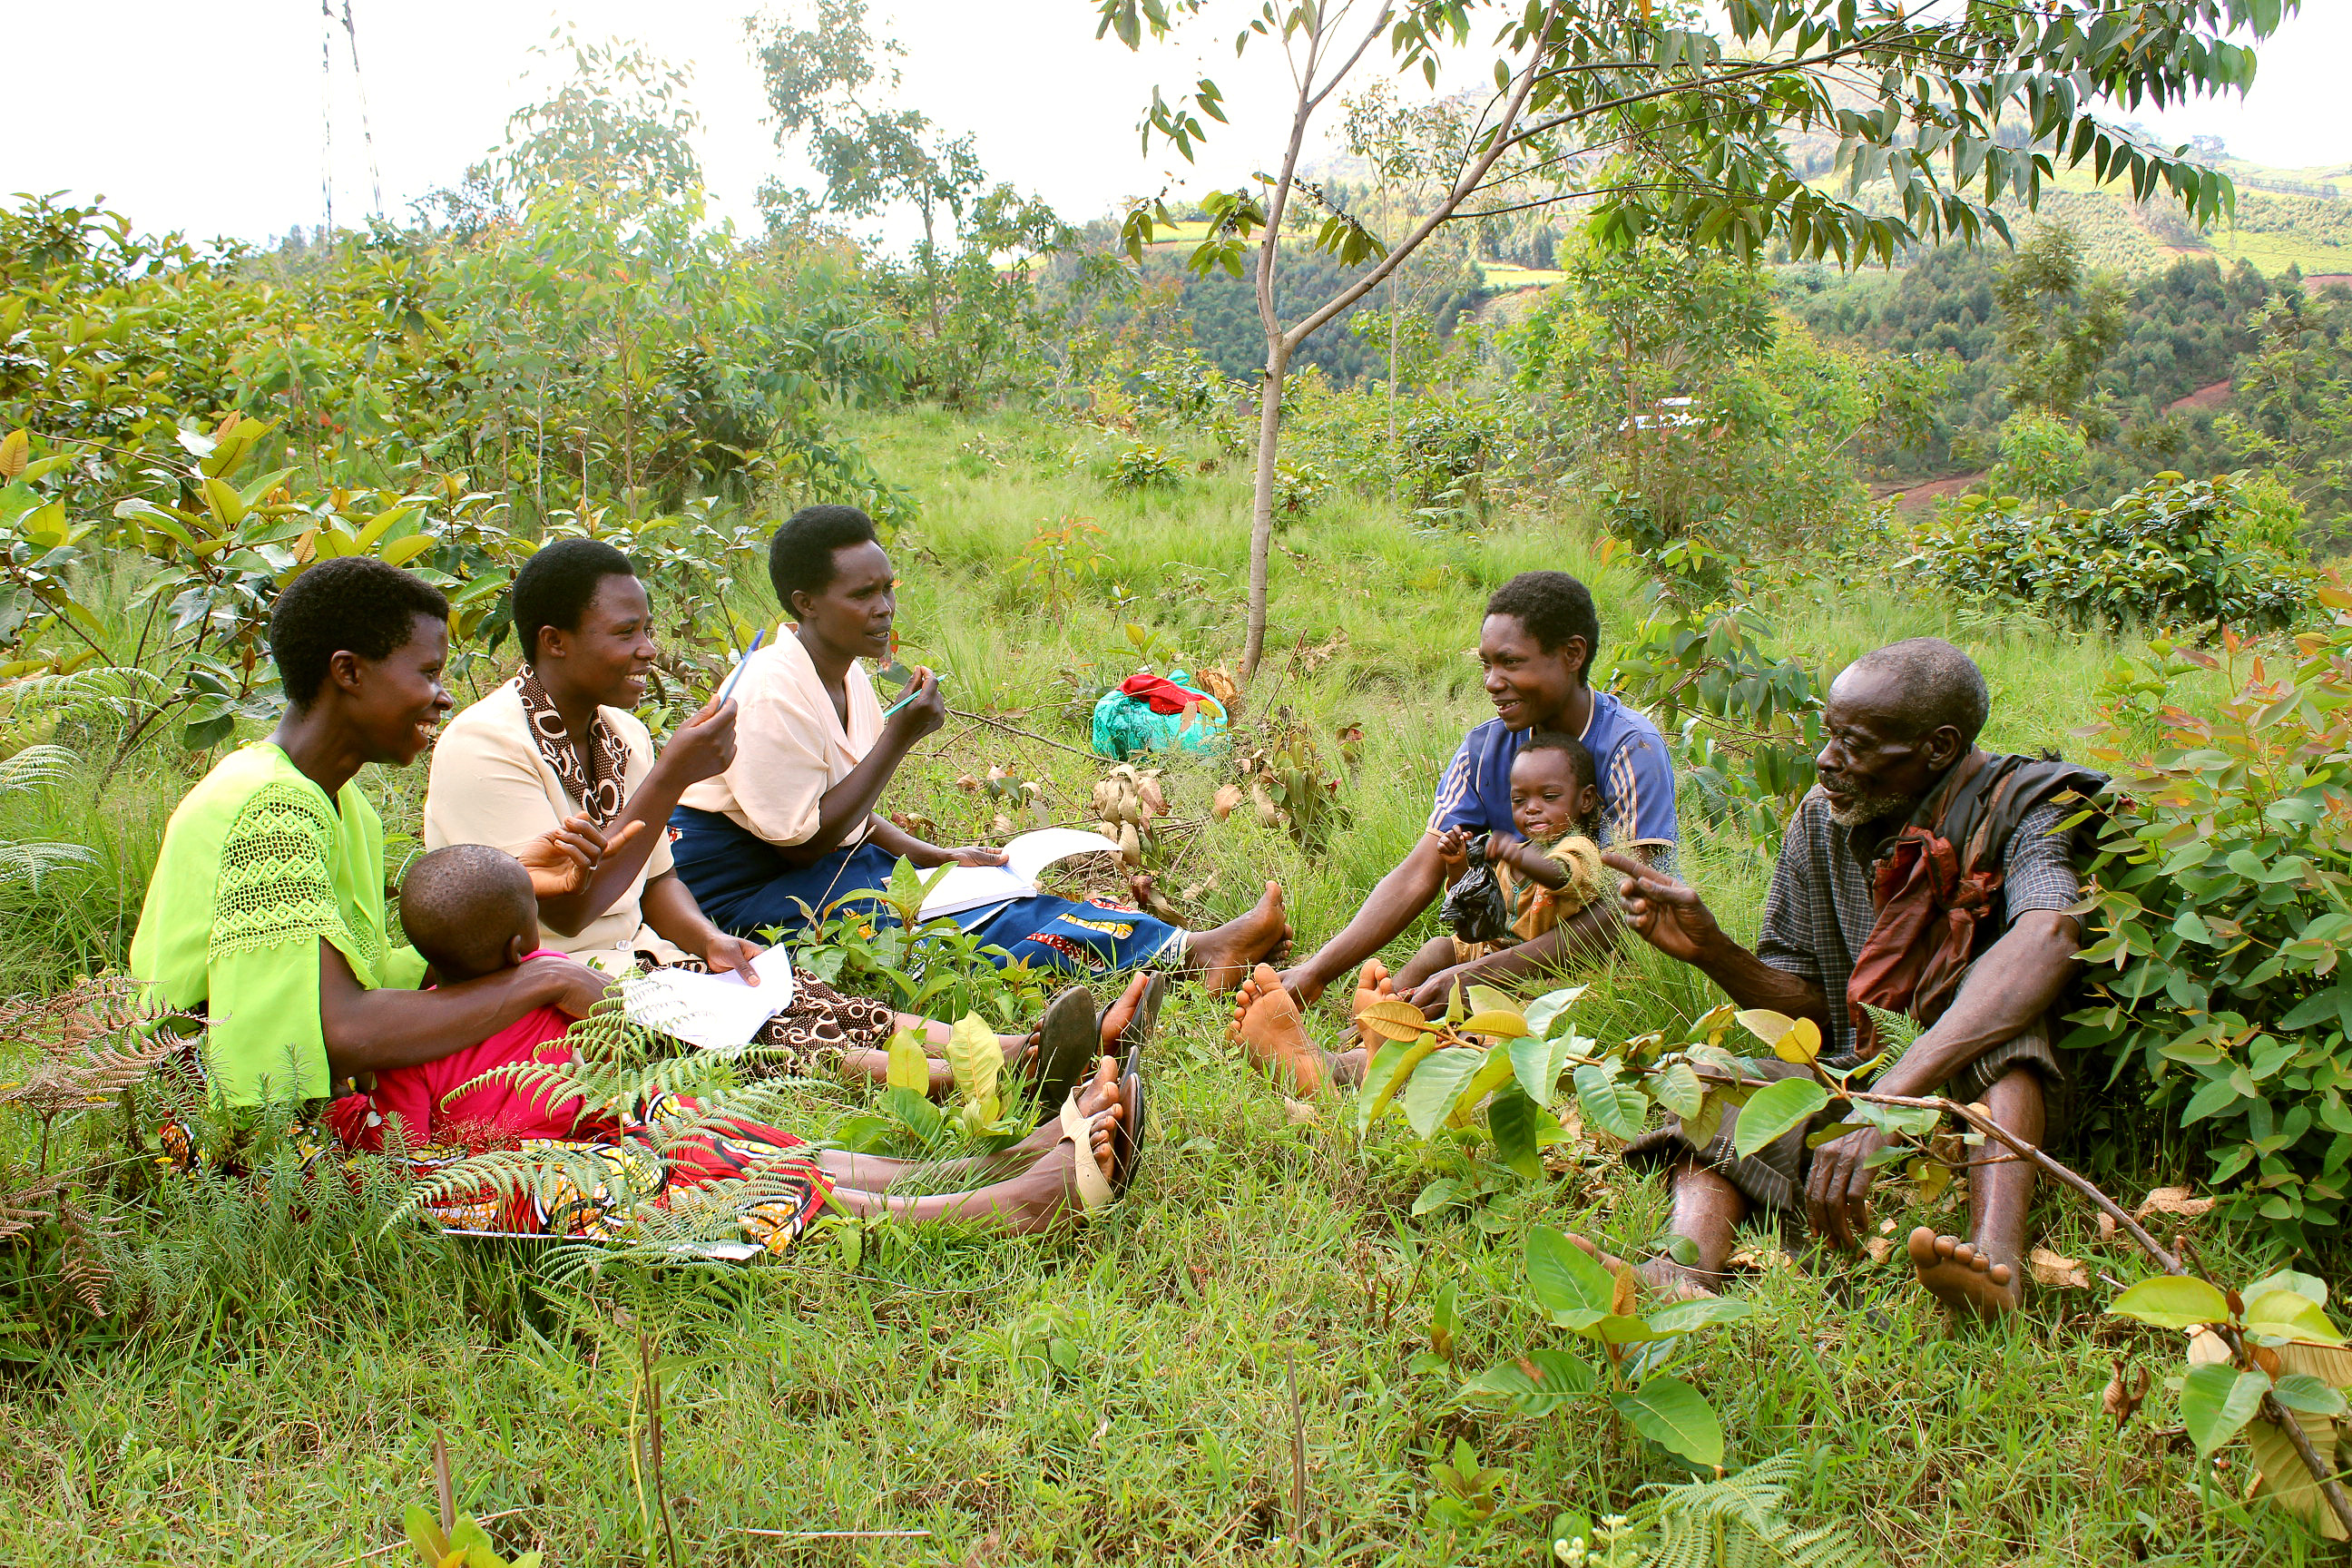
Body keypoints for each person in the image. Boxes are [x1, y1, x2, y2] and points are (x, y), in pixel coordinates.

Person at [421, 536, 1098, 1101]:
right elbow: (565, 917)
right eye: (626, 633)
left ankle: (1011, 1051)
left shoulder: (620, 733)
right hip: (553, 988)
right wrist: (672, 776)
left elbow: (656, 882)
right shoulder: (489, 745)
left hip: (639, 959)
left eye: (649, 629)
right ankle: (983, 1086)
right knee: (764, 1034)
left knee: (793, 994)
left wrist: (707, 940)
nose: (649, 650)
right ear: (554, 642)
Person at [1604, 637, 2102, 1319]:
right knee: (1712, 1080)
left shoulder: (2029, 807)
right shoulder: (1820, 820)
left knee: (1998, 1035)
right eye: (1829, 734)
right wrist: (1713, 951)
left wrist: (1893, 1098)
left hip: (1990, 1100)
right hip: (1863, 1073)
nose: (1827, 760)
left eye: (1857, 744)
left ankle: (1998, 1266)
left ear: (1939, 747)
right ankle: (1681, 1267)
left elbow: (2047, 937)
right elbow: (1806, 1008)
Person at [332, 843, 1147, 1250]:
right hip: (597, 1153)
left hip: (616, 1130)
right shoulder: (527, 979)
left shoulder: (428, 1027)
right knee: (767, 1180)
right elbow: (610, 1048)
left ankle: (990, 1164)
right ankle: (999, 1206)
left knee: (778, 1150)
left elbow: (408, 1134)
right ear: (522, 941)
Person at [668, 504, 1289, 990]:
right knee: (951, 928)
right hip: (746, 894)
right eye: (862, 596)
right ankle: (1194, 954)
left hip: (816, 865)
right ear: (805, 603)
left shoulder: (842, 670)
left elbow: (836, 803)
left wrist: (933, 854)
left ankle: (1181, 947)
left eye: (887, 588)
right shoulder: (771, 692)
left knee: (997, 890)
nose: (884, 609)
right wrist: (899, 738)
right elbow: (806, 839)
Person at [132, 556, 614, 1112]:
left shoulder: (345, 804)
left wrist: (502, 895)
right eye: (428, 673)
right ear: (349, 672)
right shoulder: (274, 807)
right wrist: (547, 981)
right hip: (206, 1135)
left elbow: (369, 981)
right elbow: (342, 1034)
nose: (443, 696)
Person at [1230, 572, 1677, 1093]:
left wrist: (1479, 977)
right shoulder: (1486, 748)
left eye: (1511, 663)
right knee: (1443, 969)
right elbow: (1418, 874)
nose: (1492, 681)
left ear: (1572, 654)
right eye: (1487, 664)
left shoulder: (1631, 749)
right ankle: (1374, 1039)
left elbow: (1632, 913)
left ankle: (1329, 1069)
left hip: (1598, 966)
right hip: (1508, 941)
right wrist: (1316, 971)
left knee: (1499, 1024)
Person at [1400, 730, 1610, 1000]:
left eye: (1549, 797)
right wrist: (1456, 864)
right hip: (1492, 953)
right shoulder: (1515, 854)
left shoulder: (1578, 847)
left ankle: (1410, 1013)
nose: (1532, 808)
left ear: (1586, 799)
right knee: (1436, 950)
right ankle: (1381, 1005)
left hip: (1545, 969)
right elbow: (1481, 912)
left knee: (1483, 1002)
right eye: (1519, 800)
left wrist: (1514, 855)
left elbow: (1562, 875)